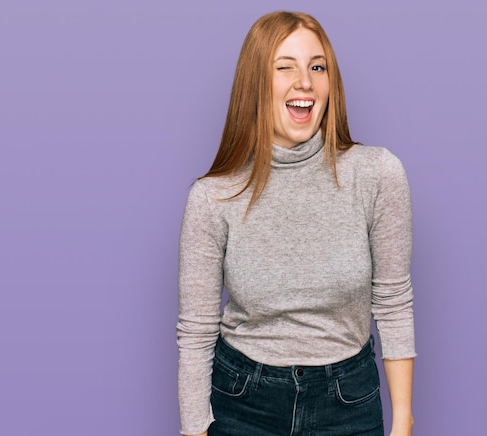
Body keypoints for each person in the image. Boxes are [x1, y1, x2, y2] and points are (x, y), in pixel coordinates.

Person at [177, 11, 415, 436]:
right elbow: (196, 332)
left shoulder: (377, 174)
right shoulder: (213, 197)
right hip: (242, 402)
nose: (304, 81)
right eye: (284, 67)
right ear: (255, 84)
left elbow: (394, 302)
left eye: (317, 67)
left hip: (349, 401)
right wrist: (195, 429)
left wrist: (402, 421)